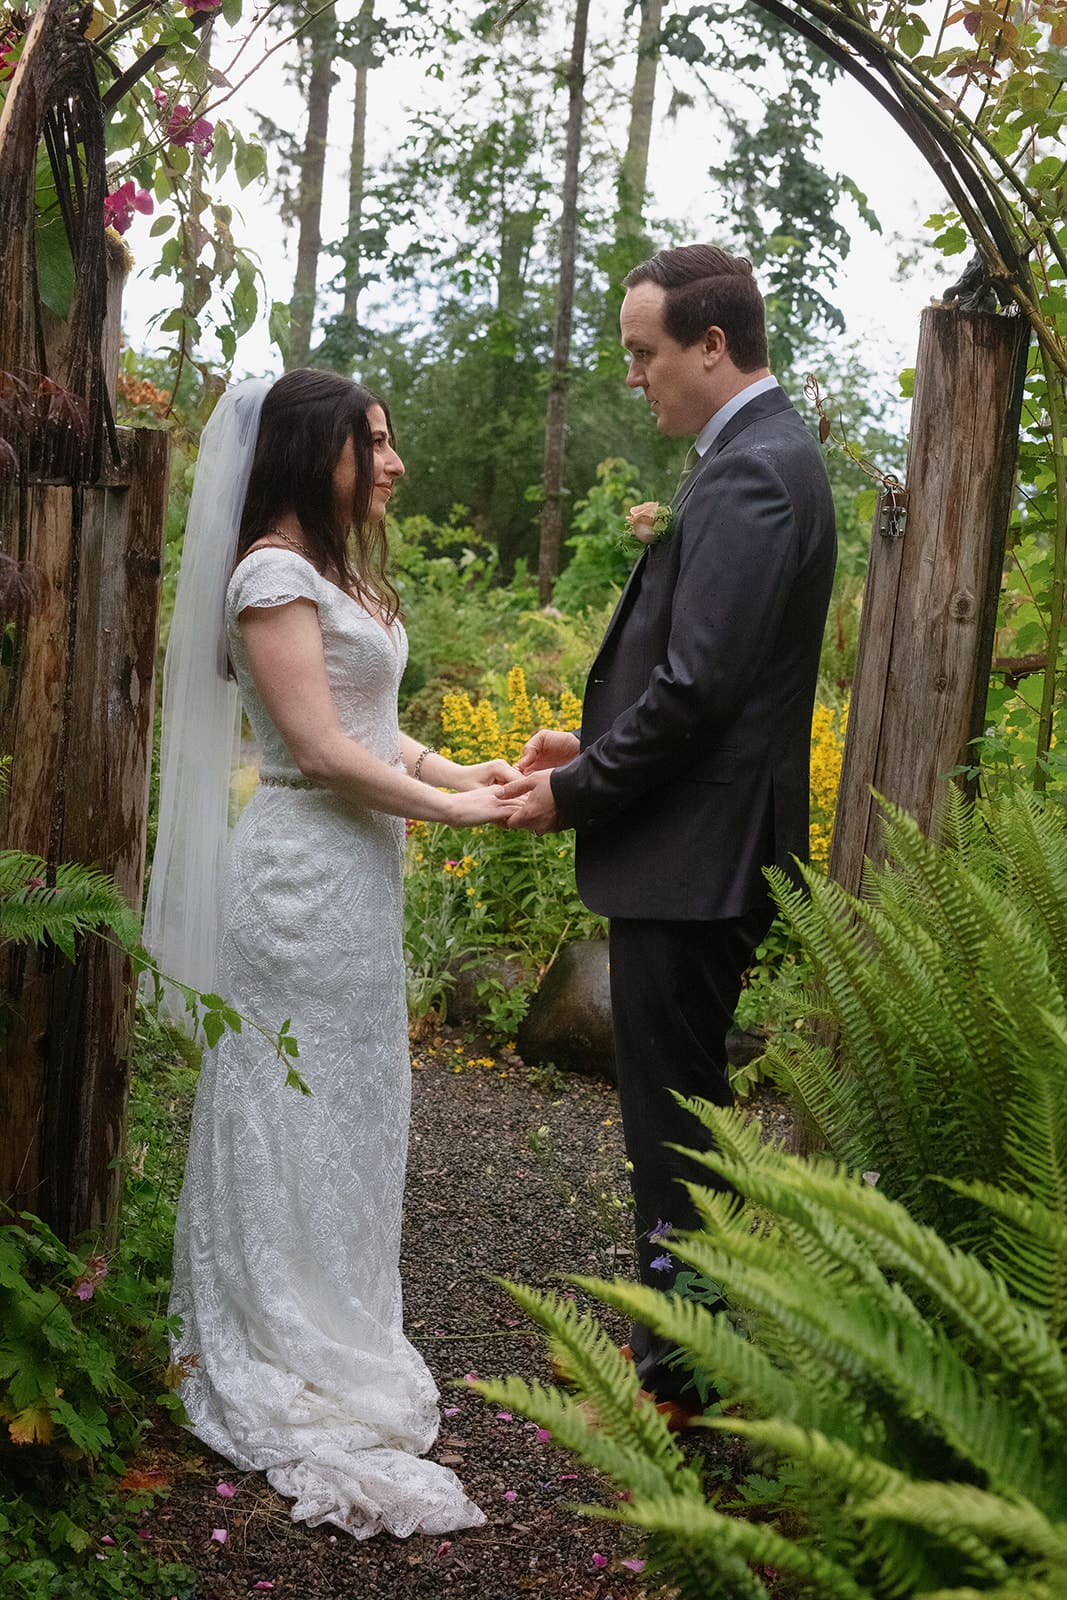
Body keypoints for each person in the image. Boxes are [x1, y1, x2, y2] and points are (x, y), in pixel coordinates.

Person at [144, 370, 516, 1537]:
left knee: (355, 1099)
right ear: (317, 452)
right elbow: (313, 744)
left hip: (356, 878)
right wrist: (451, 817)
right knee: (285, 1099)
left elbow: (369, 719)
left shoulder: (336, 576)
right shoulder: (267, 573)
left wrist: (461, 770)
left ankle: (339, 1310)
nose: (395, 462)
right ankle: (268, 1331)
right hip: (302, 872)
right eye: (375, 442)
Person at [502, 244, 837, 1422]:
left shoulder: (751, 472)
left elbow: (696, 690)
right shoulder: (754, 456)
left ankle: (681, 1391)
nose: (634, 375)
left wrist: (577, 791)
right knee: (677, 1118)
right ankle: (684, 1355)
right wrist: (577, 741)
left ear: (711, 344)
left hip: (696, 861)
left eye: (646, 353)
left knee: (673, 1134)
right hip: (700, 851)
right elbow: (707, 679)